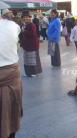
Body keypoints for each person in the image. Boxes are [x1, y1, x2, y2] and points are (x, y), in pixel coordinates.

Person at [0, 9, 23, 138]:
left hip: (10, 75)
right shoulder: (15, 26)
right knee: (11, 113)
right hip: (12, 76)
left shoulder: (14, 26)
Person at [20, 11, 42, 77]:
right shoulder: (24, 25)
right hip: (27, 46)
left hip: (32, 46)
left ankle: (33, 73)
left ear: (30, 18)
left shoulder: (32, 25)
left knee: (32, 60)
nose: (26, 19)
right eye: (24, 18)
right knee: (27, 59)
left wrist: (24, 31)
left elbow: (31, 34)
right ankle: (29, 73)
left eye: (27, 18)